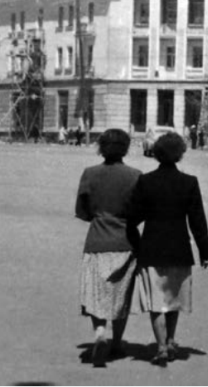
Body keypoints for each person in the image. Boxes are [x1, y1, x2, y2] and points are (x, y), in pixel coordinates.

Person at [129, 132, 208, 367]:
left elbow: (133, 218)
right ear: (180, 154)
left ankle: (161, 347)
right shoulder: (189, 182)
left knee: (156, 301)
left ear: (156, 154)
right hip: (179, 249)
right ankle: (171, 340)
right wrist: (205, 252)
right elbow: (198, 221)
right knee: (173, 298)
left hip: (152, 249)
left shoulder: (146, 181)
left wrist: (136, 245)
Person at [75, 129, 142, 368]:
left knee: (96, 293)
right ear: (125, 148)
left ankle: (100, 332)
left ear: (101, 148)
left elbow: (82, 211)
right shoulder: (135, 176)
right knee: (120, 295)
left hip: (97, 240)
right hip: (125, 241)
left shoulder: (89, 173)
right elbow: (140, 211)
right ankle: (116, 341)